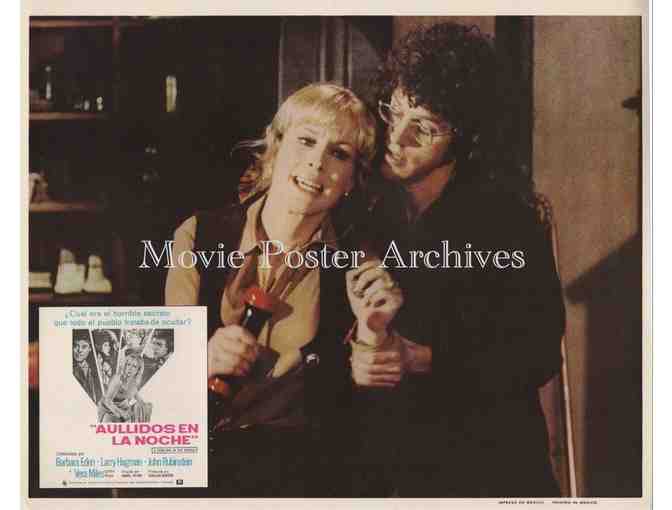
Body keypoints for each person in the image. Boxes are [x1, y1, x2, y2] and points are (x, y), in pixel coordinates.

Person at [349, 22, 566, 497]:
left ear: (464, 138)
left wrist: (421, 358)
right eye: (396, 112)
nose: (397, 137)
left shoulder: (506, 220)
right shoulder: (363, 207)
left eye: (423, 128)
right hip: (385, 462)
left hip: (483, 463)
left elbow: (538, 353)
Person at [165, 82, 402, 497]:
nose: (316, 163)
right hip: (200, 470)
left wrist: (374, 332)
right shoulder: (198, 234)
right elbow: (158, 370)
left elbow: (366, 410)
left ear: (351, 179)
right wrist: (199, 357)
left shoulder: (359, 263)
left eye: (339, 153)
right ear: (275, 147)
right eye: (306, 141)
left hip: (303, 478)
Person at [97, 353, 153, 423]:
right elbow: (107, 401)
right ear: (124, 366)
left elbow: (138, 397)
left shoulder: (133, 383)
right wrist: (121, 413)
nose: (130, 369)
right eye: (128, 364)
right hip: (108, 409)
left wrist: (146, 406)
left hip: (123, 409)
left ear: (138, 370)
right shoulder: (117, 379)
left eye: (134, 366)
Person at [72, 332, 102, 403]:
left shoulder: (95, 369)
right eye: (76, 346)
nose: (79, 350)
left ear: (90, 349)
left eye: (84, 347)